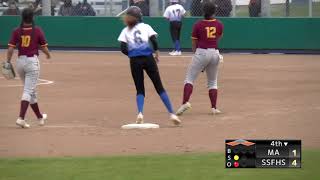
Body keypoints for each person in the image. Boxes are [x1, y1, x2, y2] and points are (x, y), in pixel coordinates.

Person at [118, 6, 181, 125]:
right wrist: (156, 53)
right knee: (159, 86)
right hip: (148, 58)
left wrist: (131, 54)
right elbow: (154, 40)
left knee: (140, 89)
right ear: (140, 17)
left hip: (135, 61)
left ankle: (140, 113)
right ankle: (172, 114)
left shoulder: (126, 30)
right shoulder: (146, 27)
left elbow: (123, 48)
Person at [176, 0, 224, 116]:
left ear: (203, 11)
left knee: (189, 79)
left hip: (201, 52)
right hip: (215, 52)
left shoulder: (198, 24)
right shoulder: (219, 24)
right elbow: (218, 38)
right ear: (214, 11)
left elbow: (194, 42)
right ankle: (214, 108)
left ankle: (184, 103)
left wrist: (196, 54)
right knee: (212, 82)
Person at [6, 8, 51, 128]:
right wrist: (48, 54)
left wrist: (8, 61)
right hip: (32, 63)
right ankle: (21, 118)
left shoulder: (16, 31)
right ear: (32, 18)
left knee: (31, 91)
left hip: (20, 62)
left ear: (22, 17)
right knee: (28, 91)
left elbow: (10, 48)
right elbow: (43, 47)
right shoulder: (37, 30)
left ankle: (40, 117)